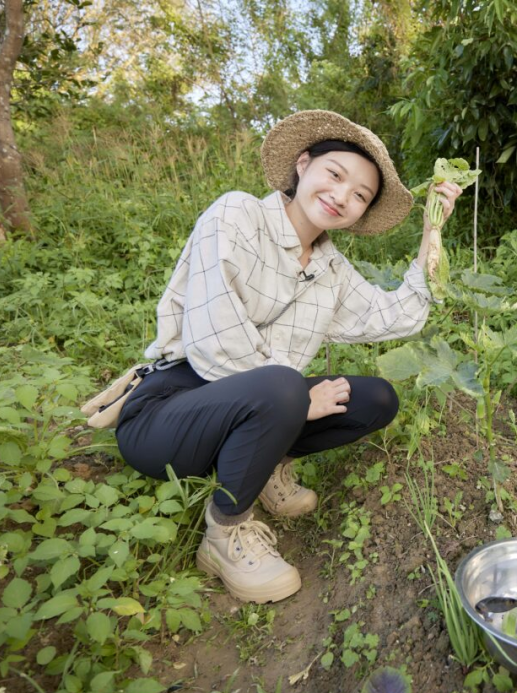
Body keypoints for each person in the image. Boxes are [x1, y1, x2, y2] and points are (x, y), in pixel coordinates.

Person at [115, 110, 463, 603]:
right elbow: (216, 344)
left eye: (360, 195)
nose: (343, 196)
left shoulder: (330, 267)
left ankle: (265, 460)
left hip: (263, 402)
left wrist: (433, 234)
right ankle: (226, 532)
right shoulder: (236, 215)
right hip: (168, 412)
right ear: (303, 166)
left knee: (375, 398)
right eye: (335, 175)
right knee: (282, 384)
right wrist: (298, 401)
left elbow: (397, 316)